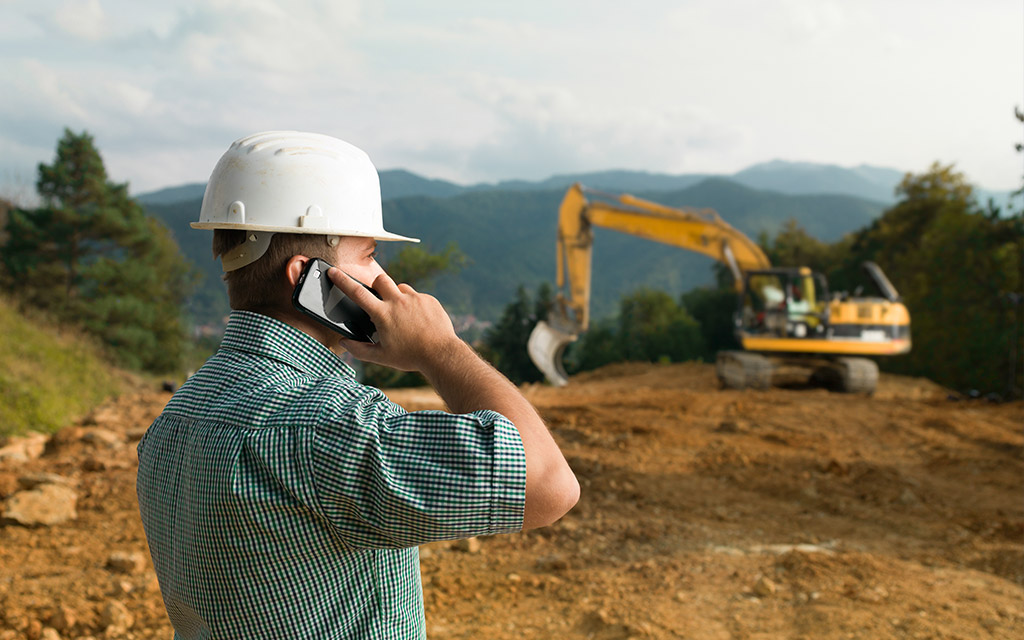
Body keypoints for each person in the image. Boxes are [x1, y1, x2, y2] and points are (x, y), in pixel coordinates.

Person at [136, 131, 580, 639]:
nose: (383, 279)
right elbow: (548, 485)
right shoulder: (326, 424)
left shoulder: (174, 420)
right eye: (368, 255)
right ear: (307, 277)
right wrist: (441, 350)